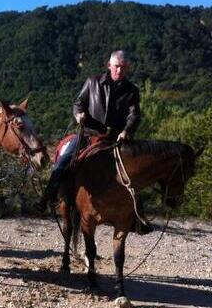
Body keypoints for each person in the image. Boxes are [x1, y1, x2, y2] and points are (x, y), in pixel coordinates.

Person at [36, 50, 144, 225]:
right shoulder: (92, 82)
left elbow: (134, 115)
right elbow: (78, 103)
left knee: (136, 169)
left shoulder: (132, 91)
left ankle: (138, 218)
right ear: (109, 66)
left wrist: (127, 130)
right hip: (89, 135)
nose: (119, 70)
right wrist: (79, 115)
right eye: (116, 66)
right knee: (63, 161)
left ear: (127, 68)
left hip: (116, 139)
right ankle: (46, 198)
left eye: (123, 67)